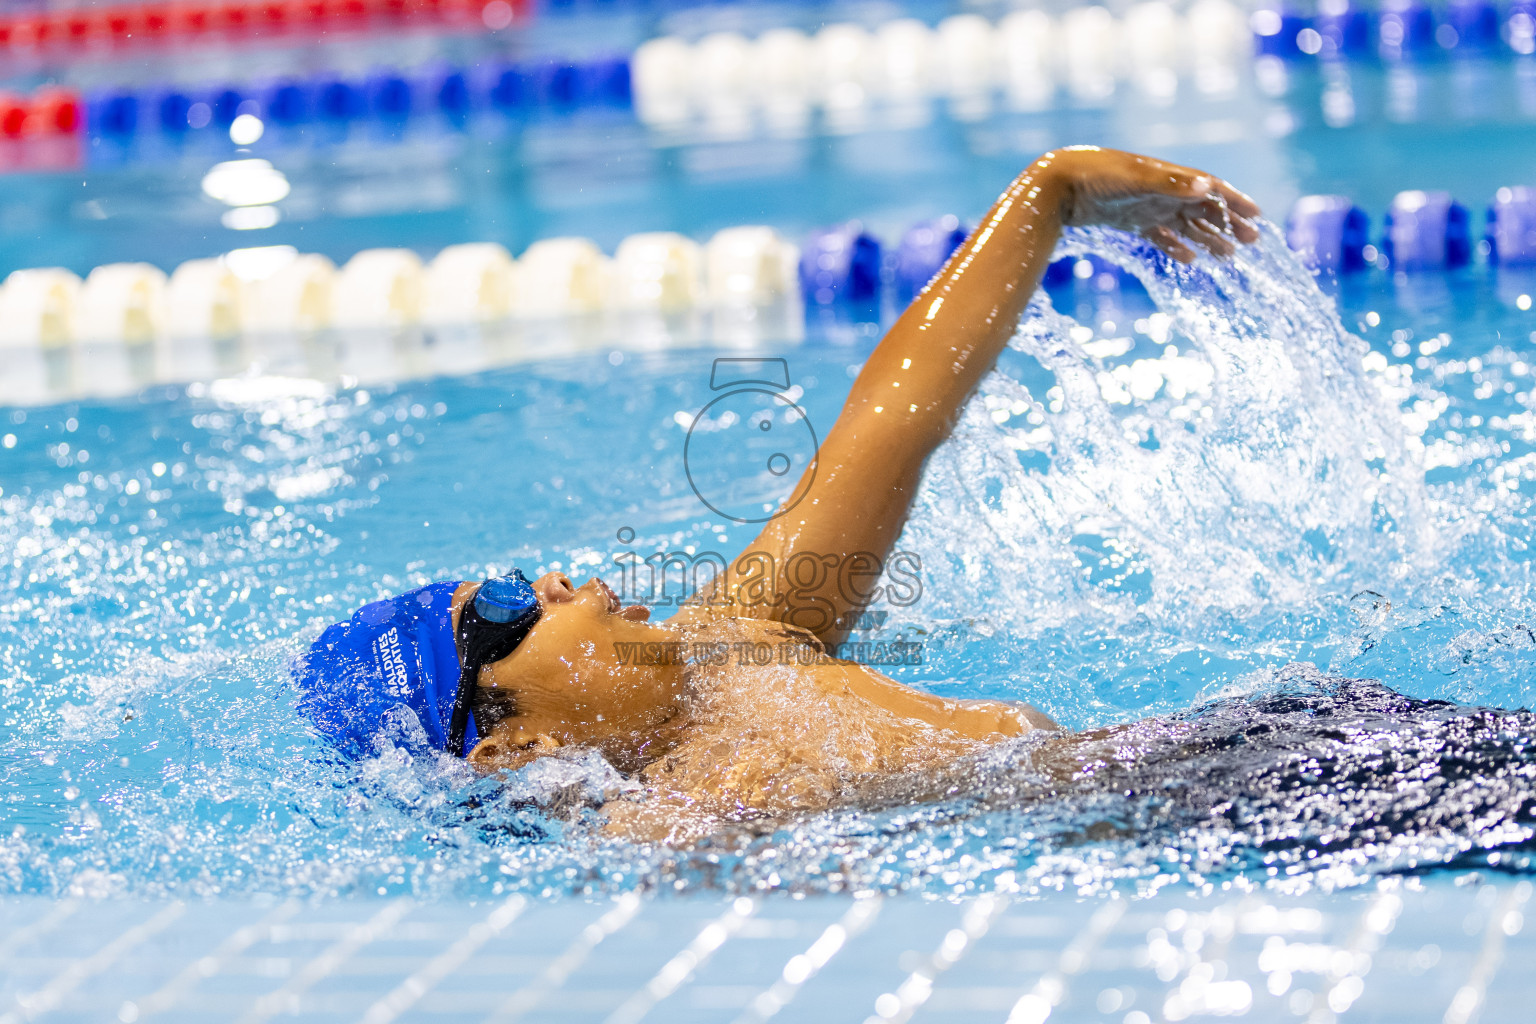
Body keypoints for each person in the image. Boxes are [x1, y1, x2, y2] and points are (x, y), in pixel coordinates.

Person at [295, 146, 1261, 843]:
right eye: (504, 612)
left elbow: (893, 418)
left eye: (514, 576)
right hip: (1225, 818)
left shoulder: (737, 640)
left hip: (1257, 748)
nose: (550, 579)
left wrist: (1050, 195)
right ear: (511, 750)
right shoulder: (673, 824)